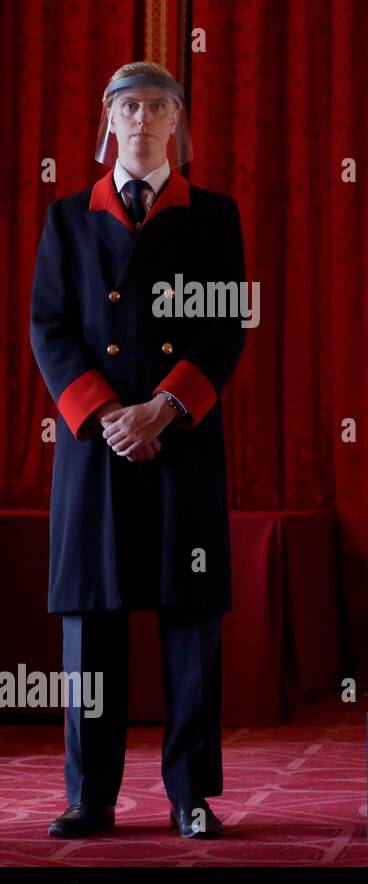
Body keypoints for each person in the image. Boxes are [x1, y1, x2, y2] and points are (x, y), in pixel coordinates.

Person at [29, 61, 247, 839]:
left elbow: (225, 325)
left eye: (158, 106)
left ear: (176, 121)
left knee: (191, 622)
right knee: (92, 622)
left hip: (180, 438)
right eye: (129, 107)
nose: (143, 119)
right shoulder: (66, 217)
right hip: (96, 448)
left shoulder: (214, 215)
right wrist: (107, 414)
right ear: (109, 118)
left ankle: (192, 796)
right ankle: (90, 797)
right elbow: (49, 328)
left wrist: (163, 407)